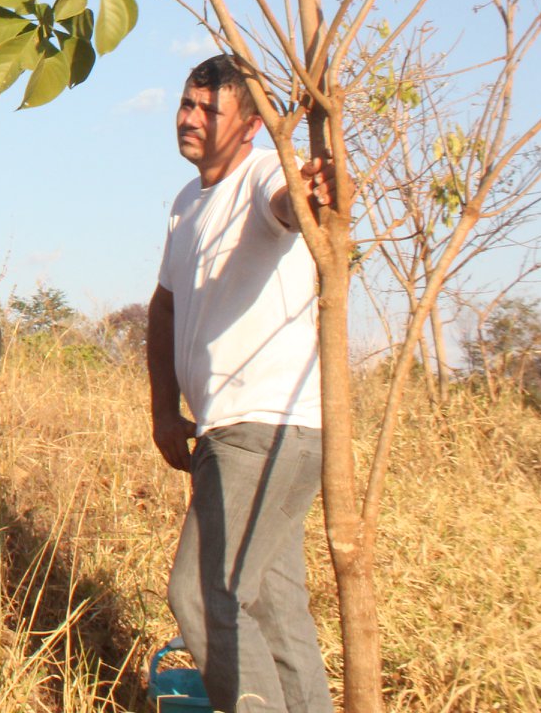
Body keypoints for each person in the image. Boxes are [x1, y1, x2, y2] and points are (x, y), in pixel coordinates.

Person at [148, 55, 335, 713]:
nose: (188, 117)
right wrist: (163, 411)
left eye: (208, 109)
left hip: (260, 429)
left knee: (202, 596)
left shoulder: (261, 177)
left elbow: (287, 205)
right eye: (186, 102)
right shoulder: (185, 205)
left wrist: (306, 191)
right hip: (249, 431)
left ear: (251, 126)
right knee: (275, 606)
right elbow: (164, 306)